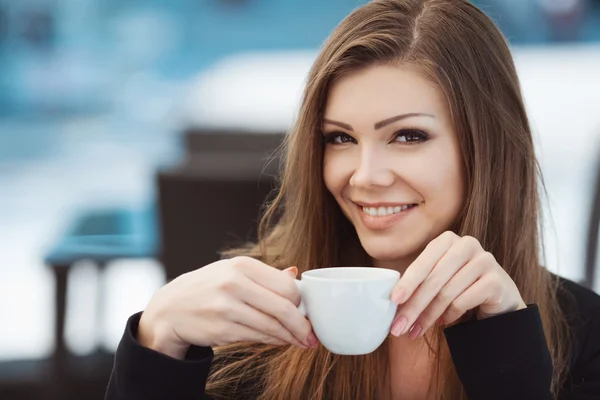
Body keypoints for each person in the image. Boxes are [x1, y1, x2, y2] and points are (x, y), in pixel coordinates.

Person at [105, 0, 600, 399]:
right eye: (340, 138)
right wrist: (159, 339)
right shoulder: (248, 321)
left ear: (488, 149)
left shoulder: (586, 334)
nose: (364, 177)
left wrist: (508, 350)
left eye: (408, 136)